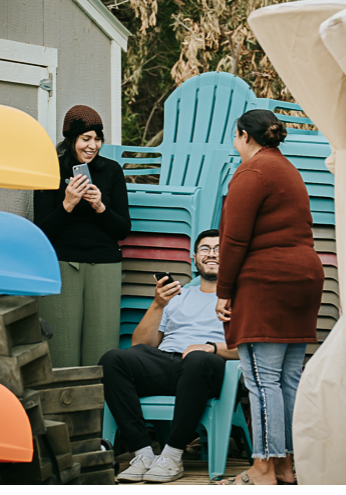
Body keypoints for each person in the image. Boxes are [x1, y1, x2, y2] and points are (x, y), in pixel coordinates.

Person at [215, 110, 324, 486]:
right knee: (288, 380)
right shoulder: (287, 169)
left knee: (262, 381)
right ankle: (286, 467)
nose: (235, 143)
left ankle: (263, 468)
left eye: (235, 136)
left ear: (245, 135)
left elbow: (234, 238)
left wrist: (224, 291)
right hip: (304, 276)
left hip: (268, 281)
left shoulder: (252, 172)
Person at [100, 229, 239, 483]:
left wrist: (211, 347)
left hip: (208, 367)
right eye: (205, 249)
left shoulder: (240, 298)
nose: (212, 254)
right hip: (168, 363)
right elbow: (140, 345)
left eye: (219, 249)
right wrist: (157, 304)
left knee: (197, 359)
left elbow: (251, 347)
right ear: (194, 257)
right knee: (112, 359)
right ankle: (143, 453)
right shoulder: (177, 296)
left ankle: (173, 455)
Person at [34, 105, 130, 368]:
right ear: (71, 139)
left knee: (102, 349)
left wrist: (100, 207)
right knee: (61, 350)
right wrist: (67, 204)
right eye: (85, 139)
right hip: (63, 263)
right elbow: (42, 231)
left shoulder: (111, 171)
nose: (93, 145)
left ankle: (99, 409)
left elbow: (122, 229)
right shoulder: (50, 170)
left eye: (97, 139)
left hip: (105, 264)